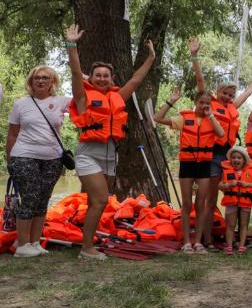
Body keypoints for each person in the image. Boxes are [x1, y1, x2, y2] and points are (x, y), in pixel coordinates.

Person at [65, 25, 155, 260]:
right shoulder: (83, 96)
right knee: (100, 199)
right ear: (92, 78)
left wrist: (151, 58)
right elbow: (76, 73)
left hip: (111, 154)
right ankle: (86, 249)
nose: (102, 78)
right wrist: (72, 45)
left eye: (106, 76)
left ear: (111, 78)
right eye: (98, 75)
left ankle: (89, 241)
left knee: (100, 203)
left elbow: (135, 80)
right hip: (88, 154)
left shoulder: (118, 96)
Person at [189, 37, 252, 248]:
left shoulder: (232, 107)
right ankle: (206, 239)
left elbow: (248, 92)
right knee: (208, 199)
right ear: (217, 93)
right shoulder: (210, 104)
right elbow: (200, 80)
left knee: (223, 198)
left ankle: (216, 236)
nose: (229, 97)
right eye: (225, 93)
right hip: (212, 154)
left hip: (228, 155)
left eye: (231, 95)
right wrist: (195, 56)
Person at [5, 66, 71, 258]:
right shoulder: (20, 104)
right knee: (31, 196)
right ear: (31, 82)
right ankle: (22, 245)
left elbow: (84, 97)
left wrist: (82, 75)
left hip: (53, 158)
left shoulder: (61, 102)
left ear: (53, 82)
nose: (41, 81)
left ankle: (34, 243)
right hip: (24, 155)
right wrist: (10, 159)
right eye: (37, 78)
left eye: (45, 78)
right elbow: (12, 135)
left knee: (43, 199)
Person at [154, 87, 225, 253]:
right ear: (195, 102)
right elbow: (157, 118)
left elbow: (221, 134)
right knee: (186, 204)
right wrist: (171, 100)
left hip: (204, 165)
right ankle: (187, 242)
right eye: (201, 103)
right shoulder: (185, 118)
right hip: (187, 164)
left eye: (207, 103)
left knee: (201, 204)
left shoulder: (212, 120)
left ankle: (198, 242)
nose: (204, 106)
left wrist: (211, 115)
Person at [219, 147, 252, 255]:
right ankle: (230, 246)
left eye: (239, 158)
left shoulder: (250, 171)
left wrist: (248, 184)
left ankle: (241, 245)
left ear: (244, 160)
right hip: (231, 201)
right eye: (234, 158)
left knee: (244, 224)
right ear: (230, 159)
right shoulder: (226, 171)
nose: (236, 160)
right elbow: (220, 185)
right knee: (230, 225)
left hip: (245, 201)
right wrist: (228, 185)